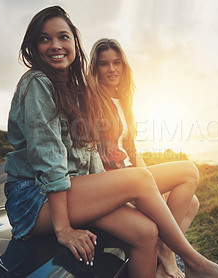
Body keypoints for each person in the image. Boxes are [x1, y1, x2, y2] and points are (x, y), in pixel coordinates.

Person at [4, 5, 218, 278]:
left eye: (63, 37)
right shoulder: (37, 83)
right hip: (34, 198)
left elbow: (88, 153)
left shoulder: (72, 90)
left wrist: (108, 193)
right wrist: (64, 229)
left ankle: (164, 258)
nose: (55, 45)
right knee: (138, 178)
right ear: (33, 46)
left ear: (74, 41)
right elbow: (49, 157)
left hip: (69, 191)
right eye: (44, 38)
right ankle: (195, 262)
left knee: (146, 231)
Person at [88, 38, 200, 278]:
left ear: (124, 66)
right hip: (113, 181)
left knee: (191, 203)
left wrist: (151, 184)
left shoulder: (124, 101)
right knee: (188, 170)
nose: (111, 69)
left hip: (132, 174)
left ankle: (162, 258)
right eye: (104, 64)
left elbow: (131, 150)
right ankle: (167, 253)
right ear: (95, 68)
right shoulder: (92, 101)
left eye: (116, 63)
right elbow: (93, 152)